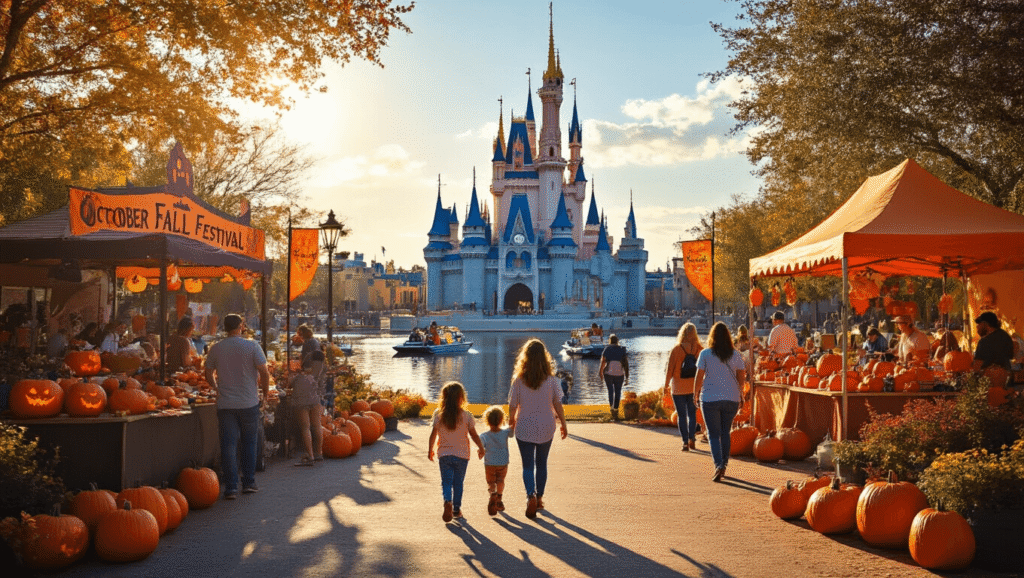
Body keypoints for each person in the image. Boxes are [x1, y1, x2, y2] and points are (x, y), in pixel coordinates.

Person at [204, 314, 271, 499]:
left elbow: (207, 372)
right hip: (249, 402)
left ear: (224, 327)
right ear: (241, 326)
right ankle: (248, 482)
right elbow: (264, 372)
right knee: (249, 443)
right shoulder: (252, 346)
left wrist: (216, 388)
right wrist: (264, 394)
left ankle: (231, 487)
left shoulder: (216, 348)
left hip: (225, 404)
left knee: (228, 444)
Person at [508, 339, 568, 519]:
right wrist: (564, 424)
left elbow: (512, 405)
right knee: (542, 464)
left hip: (524, 426)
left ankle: (530, 495)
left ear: (524, 358)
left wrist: (511, 420)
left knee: (527, 465)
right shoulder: (552, 381)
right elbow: (558, 404)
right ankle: (540, 498)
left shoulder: (519, 380)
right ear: (544, 358)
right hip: (546, 425)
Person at [694, 322, 747, 482]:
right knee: (725, 432)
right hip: (731, 398)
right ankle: (724, 463)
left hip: (709, 398)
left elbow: (699, 376)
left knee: (713, 434)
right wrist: (741, 395)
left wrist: (695, 394)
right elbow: (742, 377)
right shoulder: (736, 355)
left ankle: (718, 465)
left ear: (712, 337)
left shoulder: (705, 354)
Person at [427, 381, 484, 523]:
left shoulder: (439, 415)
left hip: (444, 455)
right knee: (458, 483)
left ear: (443, 398)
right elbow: (474, 435)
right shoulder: (467, 416)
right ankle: (456, 509)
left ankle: (447, 501)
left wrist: (430, 450)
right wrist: (481, 447)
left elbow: (433, 434)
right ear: (462, 398)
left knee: (446, 482)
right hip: (462, 455)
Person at [665, 323, 702, 451]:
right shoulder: (699, 349)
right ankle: (692, 438)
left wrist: (665, 386)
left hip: (678, 387)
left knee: (681, 415)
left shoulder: (676, 349)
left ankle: (685, 442)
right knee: (692, 414)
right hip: (693, 387)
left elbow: (669, 369)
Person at [290, 351, 325, 466]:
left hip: (301, 402)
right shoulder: (320, 371)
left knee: (306, 427)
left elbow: (289, 384)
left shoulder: (300, 376)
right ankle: (319, 453)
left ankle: (310, 456)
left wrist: (292, 374)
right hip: (315, 400)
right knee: (317, 425)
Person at [479, 405, 514, 516]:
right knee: (500, 480)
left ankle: (492, 493)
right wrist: (513, 420)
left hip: (489, 463)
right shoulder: (505, 433)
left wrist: (480, 452)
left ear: (487, 421)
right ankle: (499, 497)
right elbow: (512, 431)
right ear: (501, 420)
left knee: (491, 481)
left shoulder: (484, 436)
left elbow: (481, 446)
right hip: (503, 463)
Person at [598, 334, 629, 420]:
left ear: (610, 341)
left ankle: (612, 408)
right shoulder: (622, 350)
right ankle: (616, 409)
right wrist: (627, 377)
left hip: (608, 373)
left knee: (610, 391)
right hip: (620, 374)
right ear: (617, 341)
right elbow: (626, 364)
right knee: (618, 391)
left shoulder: (607, 349)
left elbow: (603, 362)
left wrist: (600, 372)